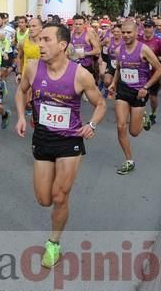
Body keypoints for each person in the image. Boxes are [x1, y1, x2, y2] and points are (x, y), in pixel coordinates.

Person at [15, 23, 106, 268]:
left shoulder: (80, 74)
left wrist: (92, 125)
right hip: (43, 139)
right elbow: (20, 91)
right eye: (39, 40)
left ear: (62, 45)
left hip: (70, 141)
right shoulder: (33, 69)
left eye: (46, 40)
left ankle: (53, 243)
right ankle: (56, 218)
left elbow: (100, 104)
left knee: (59, 196)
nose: (40, 44)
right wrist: (22, 116)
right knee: (44, 199)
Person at [109, 20, 161, 175]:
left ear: (135, 32)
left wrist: (146, 87)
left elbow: (159, 70)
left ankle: (144, 118)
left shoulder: (144, 50)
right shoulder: (120, 50)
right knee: (120, 125)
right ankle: (129, 160)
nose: (125, 35)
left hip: (139, 92)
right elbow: (119, 68)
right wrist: (113, 82)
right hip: (123, 90)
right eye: (123, 32)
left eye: (129, 32)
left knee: (134, 132)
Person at [138, 19, 161, 128]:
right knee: (140, 95)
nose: (147, 29)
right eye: (145, 27)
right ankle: (143, 116)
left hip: (155, 74)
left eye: (149, 27)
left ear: (153, 29)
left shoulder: (158, 41)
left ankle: (153, 113)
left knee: (153, 97)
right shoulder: (138, 40)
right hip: (141, 73)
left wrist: (154, 59)